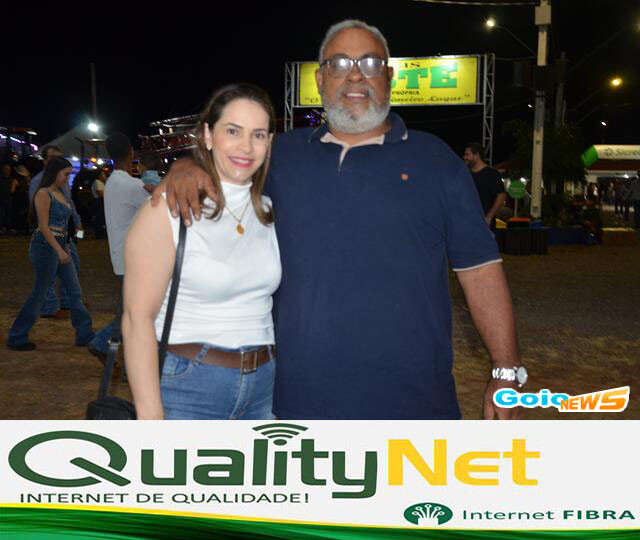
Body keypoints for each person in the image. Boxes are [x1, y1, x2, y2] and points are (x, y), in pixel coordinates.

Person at [154, 20, 525, 420]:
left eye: (370, 63)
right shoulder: (280, 156)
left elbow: (480, 269)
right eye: (340, 64)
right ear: (320, 79)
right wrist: (188, 167)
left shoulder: (436, 161)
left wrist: (506, 369)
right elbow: (226, 162)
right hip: (296, 404)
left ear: (389, 77)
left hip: (415, 404)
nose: (355, 76)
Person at [122, 84, 280, 420]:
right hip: (189, 388)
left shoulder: (269, 210)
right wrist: (150, 417)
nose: (246, 146)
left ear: (269, 142)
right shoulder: (168, 208)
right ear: (208, 135)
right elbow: (137, 318)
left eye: (258, 135)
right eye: (233, 131)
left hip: (264, 387)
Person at [7, 157, 93, 351]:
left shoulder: (59, 192)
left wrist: (67, 243)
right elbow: (44, 226)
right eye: (66, 174)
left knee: (74, 292)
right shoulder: (43, 193)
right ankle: (17, 336)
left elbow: (65, 223)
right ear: (55, 172)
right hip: (46, 245)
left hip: (60, 243)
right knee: (40, 292)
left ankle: (85, 334)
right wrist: (59, 250)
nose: (67, 178)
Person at [87, 133, 149, 363]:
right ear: (131, 152)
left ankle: (108, 347)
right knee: (137, 311)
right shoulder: (132, 185)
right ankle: (102, 342)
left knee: (131, 310)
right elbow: (159, 207)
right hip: (134, 257)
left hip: (121, 254)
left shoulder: (113, 181)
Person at [30, 145, 85, 319]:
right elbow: (38, 214)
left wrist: (77, 222)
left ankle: (67, 301)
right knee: (49, 272)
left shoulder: (61, 180)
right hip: (49, 234)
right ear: (45, 161)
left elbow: (69, 203)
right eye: (54, 158)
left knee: (73, 264)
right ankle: (50, 307)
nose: (58, 161)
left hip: (64, 232)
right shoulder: (39, 183)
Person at [463, 143, 507, 229]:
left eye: (467, 154)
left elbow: (501, 196)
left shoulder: (492, 174)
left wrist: (489, 216)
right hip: (466, 223)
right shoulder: (465, 174)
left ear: (477, 155)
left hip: (484, 224)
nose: (464, 157)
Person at [11, 165, 31, 234]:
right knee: (25, 213)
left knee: (17, 213)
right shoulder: (27, 180)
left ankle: (18, 228)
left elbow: (12, 190)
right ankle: (25, 228)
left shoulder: (15, 180)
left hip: (18, 198)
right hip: (25, 198)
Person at [90, 168, 107, 238]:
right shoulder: (97, 182)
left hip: (100, 201)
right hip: (98, 201)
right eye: (103, 174)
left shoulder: (101, 182)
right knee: (99, 217)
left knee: (101, 217)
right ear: (99, 175)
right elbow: (100, 194)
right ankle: (99, 233)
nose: (104, 175)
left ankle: (101, 232)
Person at [0, 163, 14, 234]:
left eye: (8, 169)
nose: (7, 170)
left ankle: (8, 228)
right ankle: (1, 227)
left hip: (8, 198)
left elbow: (12, 190)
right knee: (1, 213)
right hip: (1, 198)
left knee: (8, 213)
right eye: (6, 169)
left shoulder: (11, 179)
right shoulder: (1, 178)